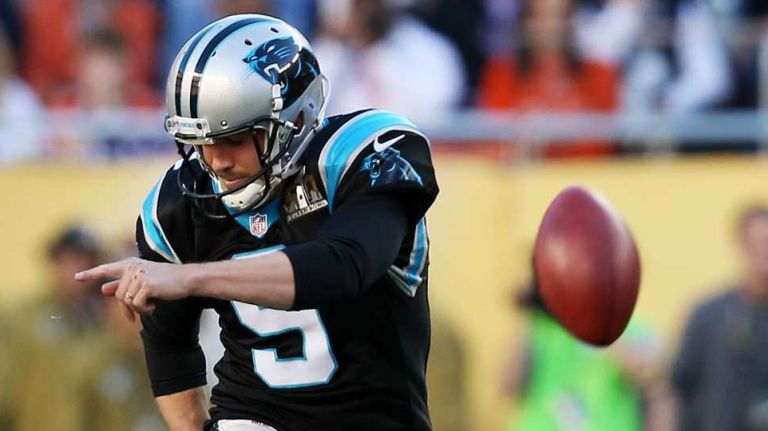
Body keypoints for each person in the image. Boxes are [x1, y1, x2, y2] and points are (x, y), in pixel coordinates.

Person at [75, 14, 439, 431]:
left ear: (296, 119)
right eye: (203, 142)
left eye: (234, 139)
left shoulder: (362, 157)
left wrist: (192, 278)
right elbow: (168, 346)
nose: (217, 161)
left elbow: (345, 265)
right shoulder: (176, 206)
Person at [672, 204, 768, 431]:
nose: (764, 252)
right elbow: (676, 389)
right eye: (756, 243)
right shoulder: (707, 317)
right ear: (741, 246)